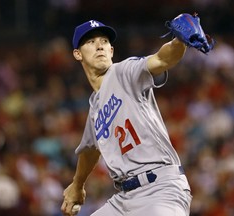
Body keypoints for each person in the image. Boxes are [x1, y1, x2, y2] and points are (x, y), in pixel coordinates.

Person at [61, 19, 192, 216]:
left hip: (160, 189)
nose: (99, 46)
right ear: (77, 54)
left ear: (111, 51)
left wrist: (179, 41)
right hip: (124, 199)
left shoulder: (124, 72)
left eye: (104, 41)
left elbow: (162, 60)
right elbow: (89, 150)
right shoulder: (95, 106)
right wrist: (77, 184)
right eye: (90, 42)